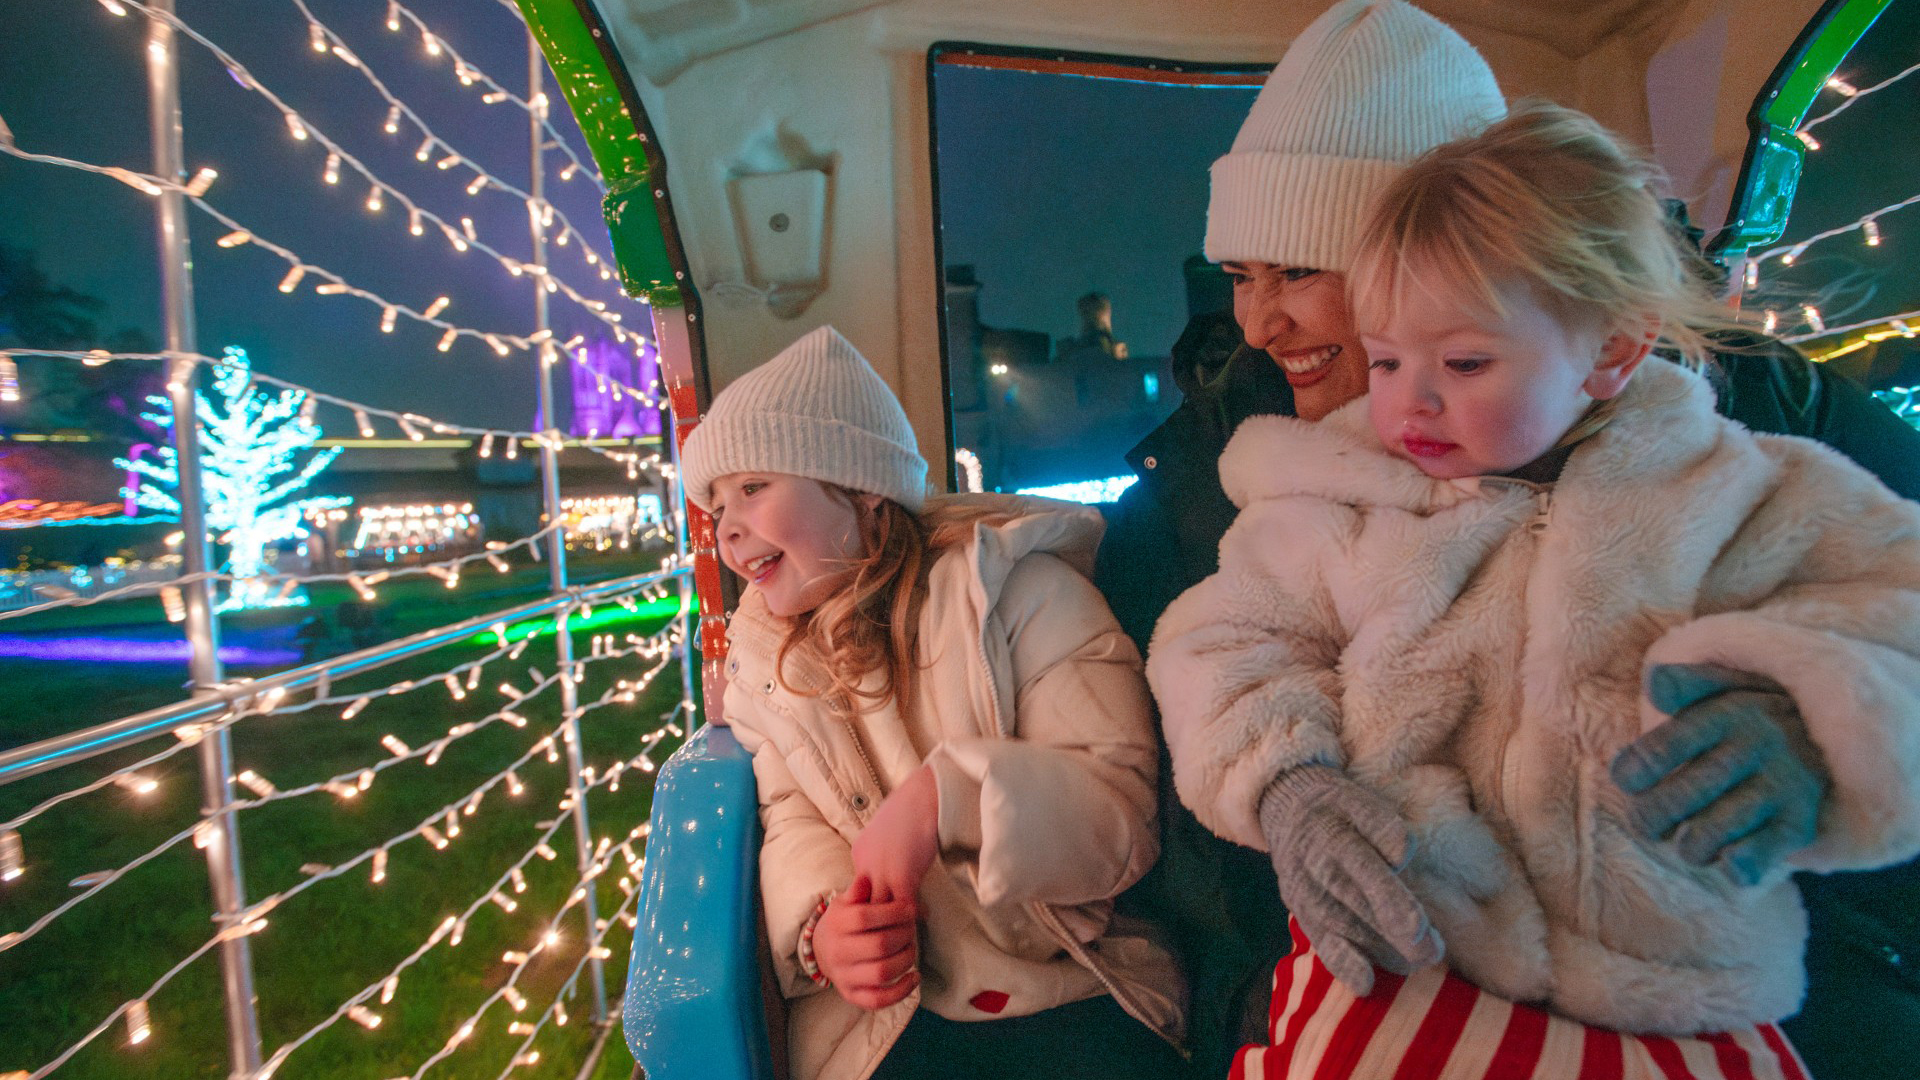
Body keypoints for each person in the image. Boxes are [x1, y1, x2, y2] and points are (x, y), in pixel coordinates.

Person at [1094, 2, 1920, 1075]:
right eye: (1242, 276)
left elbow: (1890, 606)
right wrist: (1283, 797)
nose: (1256, 325)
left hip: (1699, 977)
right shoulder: (1250, 489)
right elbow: (1223, 672)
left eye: (1298, 271)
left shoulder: (1739, 454)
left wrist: (1816, 719)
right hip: (1408, 963)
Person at [678, 326, 1187, 1080]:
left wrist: (946, 799)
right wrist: (822, 928)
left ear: (860, 489)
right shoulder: (764, 667)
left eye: (753, 487)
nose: (728, 528)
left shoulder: (1021, 593)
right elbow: (789, 817)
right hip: (886, 1017)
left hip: (1068, 977)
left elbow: (1120, 816)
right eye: (715, 506)